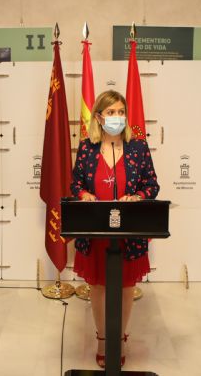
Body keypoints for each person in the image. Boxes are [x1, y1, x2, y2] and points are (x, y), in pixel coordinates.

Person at [70, 90, 159, 368]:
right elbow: (76, 183)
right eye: (111, 112)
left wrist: (138, 197)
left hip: (128, 233)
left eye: (121, 112)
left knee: (125, 286)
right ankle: (102, 338)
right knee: (97, 286)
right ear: (99, 117)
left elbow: (152, 185)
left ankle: (119, 337)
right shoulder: (87, 148)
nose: (117, 117)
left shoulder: (138, 148)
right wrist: (84, 195)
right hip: (96, 232)